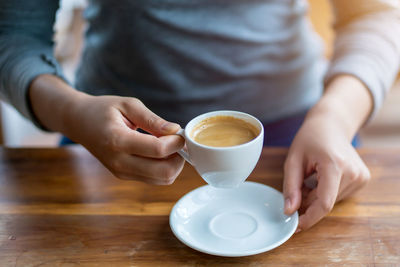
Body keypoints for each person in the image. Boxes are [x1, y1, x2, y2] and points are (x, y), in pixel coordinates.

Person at [1, 0, 399, 232]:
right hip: (108, 134)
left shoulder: (323, 124)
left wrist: (335, 117)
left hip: (303, 132)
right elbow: (12, 35)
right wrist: (71, 110)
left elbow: (375, 14)